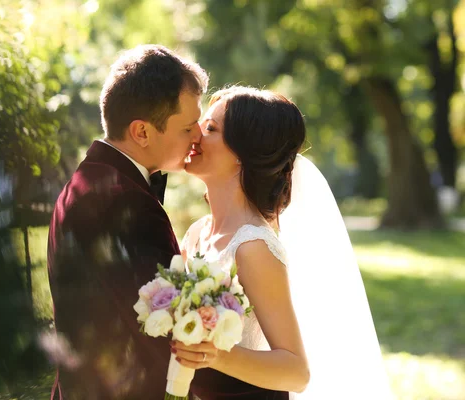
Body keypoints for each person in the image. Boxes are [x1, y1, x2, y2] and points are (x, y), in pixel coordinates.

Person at [174, 86, 393, 399]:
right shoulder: (197, 232)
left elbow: (296, 372)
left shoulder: (253, 246)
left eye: (210, 128)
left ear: (241, 154)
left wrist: (217, 354)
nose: (195, 134)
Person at [46, 44, 208, 399]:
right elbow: (163, 332)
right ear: (142, 132)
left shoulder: (90, 180)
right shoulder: (124, 201)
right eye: (188, 127)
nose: (198, 136)